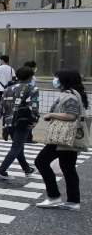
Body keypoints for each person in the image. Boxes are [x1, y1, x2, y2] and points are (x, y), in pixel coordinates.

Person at [34, 69, 86, 210]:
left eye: (57, 77)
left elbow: (71, 115)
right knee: (68, 168)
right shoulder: (73, 94)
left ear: (64, 80)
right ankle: (73, 201)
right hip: (68, 137)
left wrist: (52, 114)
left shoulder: (69, 96)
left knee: (41, 161)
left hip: (62, 137)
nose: (55, 80)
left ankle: (54, 197)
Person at [0, 65, 41, 181]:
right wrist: (35, 120)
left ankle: (27, 169)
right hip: (23, 122)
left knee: (18, 146)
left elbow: (0, 107)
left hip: (9, 121)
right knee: (17, 147)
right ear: (30, 77)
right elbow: (33, 106)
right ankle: (1, 170)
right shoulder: (32, 89)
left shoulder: (8, 89)